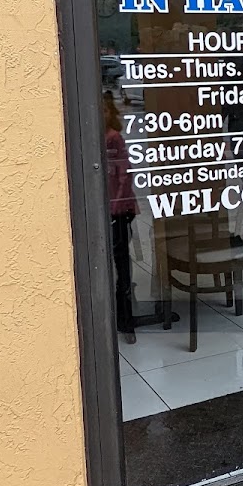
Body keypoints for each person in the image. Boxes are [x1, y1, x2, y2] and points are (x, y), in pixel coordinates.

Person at [104, 92, 138, 344]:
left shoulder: (114, 138)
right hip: (109, 206)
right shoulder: (98, 138)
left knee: (121, 261)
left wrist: (116, 205)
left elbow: (124, 176)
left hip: (117, 209)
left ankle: (125, 318)